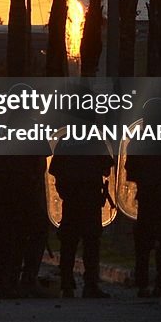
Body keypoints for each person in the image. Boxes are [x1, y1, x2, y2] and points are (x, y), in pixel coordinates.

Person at [125, 98, 161, 298]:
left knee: (143, 243)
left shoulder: (138, 138)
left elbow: (130, 170)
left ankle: (142, 284)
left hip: (147, 197)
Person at [50, 114, 114, 299]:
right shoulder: (95, 139)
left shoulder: (65, 141)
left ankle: (67, 285)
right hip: (90, 200)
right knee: (91, 243)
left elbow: (54, 170)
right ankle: (90, 285)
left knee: (69, 243)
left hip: (70, 201)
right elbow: (106, 167)